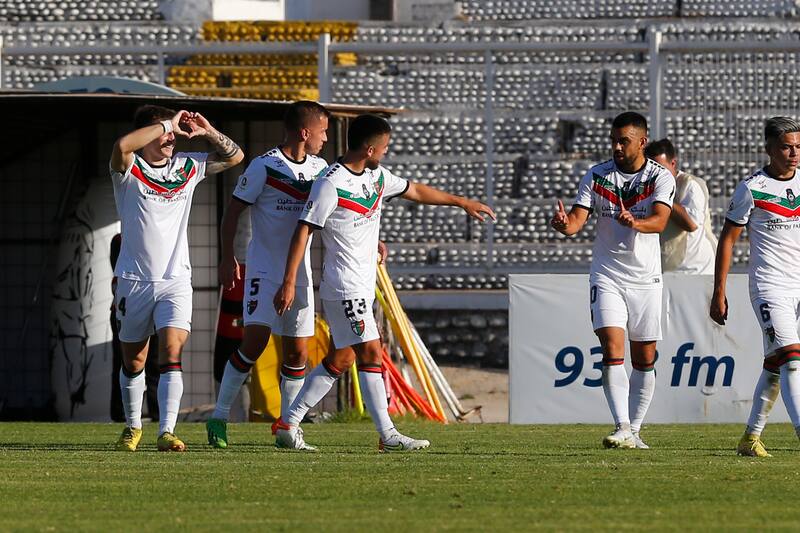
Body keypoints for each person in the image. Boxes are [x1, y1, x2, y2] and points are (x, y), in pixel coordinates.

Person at [272, 114, 495, 452]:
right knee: (372, 352)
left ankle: (288, 423)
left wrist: (461, 202)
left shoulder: (376, 175)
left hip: (363, 285)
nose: (387, 153)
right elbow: (304, 229)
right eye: (385, 148)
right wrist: (289, 281)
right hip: (344, 285)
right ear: (370, 147)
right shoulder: (330, 184)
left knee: (341, 358)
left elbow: (414, 190)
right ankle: (387, 434)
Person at [110, 104, 243, 451]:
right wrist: (168, 122)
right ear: (147, 136)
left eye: (172, 131)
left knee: (171, 351)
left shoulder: (188, 167)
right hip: (134, 279)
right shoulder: (129, 167)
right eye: (163, 132)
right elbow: (122, 146)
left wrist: (208, 131)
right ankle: (133, 425)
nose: (171, 137)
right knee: (134, 360)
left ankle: (166, 431)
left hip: (175, 279)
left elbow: (235, 156)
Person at [206, 101, 331, 448]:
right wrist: (227, 257)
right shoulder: (265, 166)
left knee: (298, 354)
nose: (325, 139)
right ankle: (218, 417)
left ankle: (287, 428)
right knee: (255, 343)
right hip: (264, 270)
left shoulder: (321, 169)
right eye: (323, 131)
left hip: (300, 274)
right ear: (305, 132)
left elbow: (338, 205)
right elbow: (232, 213)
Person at [550, 112, 675, 449]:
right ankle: (621, 426)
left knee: (645, 358)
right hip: (607, 275)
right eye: (614, 140)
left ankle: (634, 429)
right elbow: (577, 222)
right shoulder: (596, 176)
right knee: (611, 347)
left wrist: (635, 222)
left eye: (624, 141)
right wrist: (564, 225)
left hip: (646, 279)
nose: (617, 147)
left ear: (642, 142)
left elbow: (661, 221)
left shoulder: (661, 177)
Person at [711, 116, 800, 457]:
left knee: (776, 364)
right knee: (792, 358)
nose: (793, 153)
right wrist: (719, 291)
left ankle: (750, 438)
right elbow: (728, 240)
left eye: (797, 147)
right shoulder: (751, 188)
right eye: (786, 147)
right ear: (769, 149)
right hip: (770, 286)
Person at [644, 139, 717, 275]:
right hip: (665, 271)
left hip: (695, 271)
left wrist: (663, 197)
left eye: (660, 169)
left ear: (673, 163)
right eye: (651, 170)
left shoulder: (690, 184)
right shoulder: (647, 187)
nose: (656, 175)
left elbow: (691, 224)